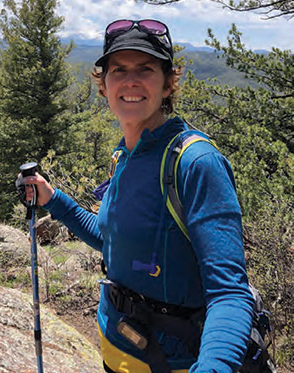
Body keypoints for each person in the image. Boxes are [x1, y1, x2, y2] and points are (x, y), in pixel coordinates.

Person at [22, 19, 255, 372]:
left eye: (145, 69)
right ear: (104, 85)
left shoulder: (195, 163)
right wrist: (53, 199)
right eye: (119, 70)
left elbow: (230, 295)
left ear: (167, 84)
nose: (130, 80)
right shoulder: (125, 155)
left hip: (173, 361)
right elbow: (113, 241)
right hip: (117, 347)